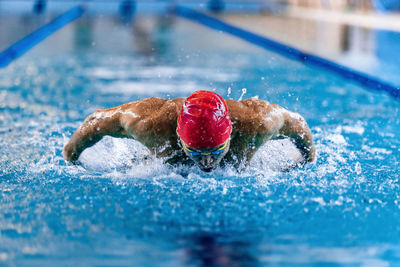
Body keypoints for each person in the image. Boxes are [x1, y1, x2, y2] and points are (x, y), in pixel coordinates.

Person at [63, 90, 315, 172]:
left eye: (215, 150)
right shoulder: (150, 125)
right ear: (179, 136)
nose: (206, 161)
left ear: (229, 134)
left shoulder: (256, 125)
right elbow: (97, 121)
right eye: (195, 151)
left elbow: (298, 124)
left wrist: (307, 158)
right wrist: (71, 156)